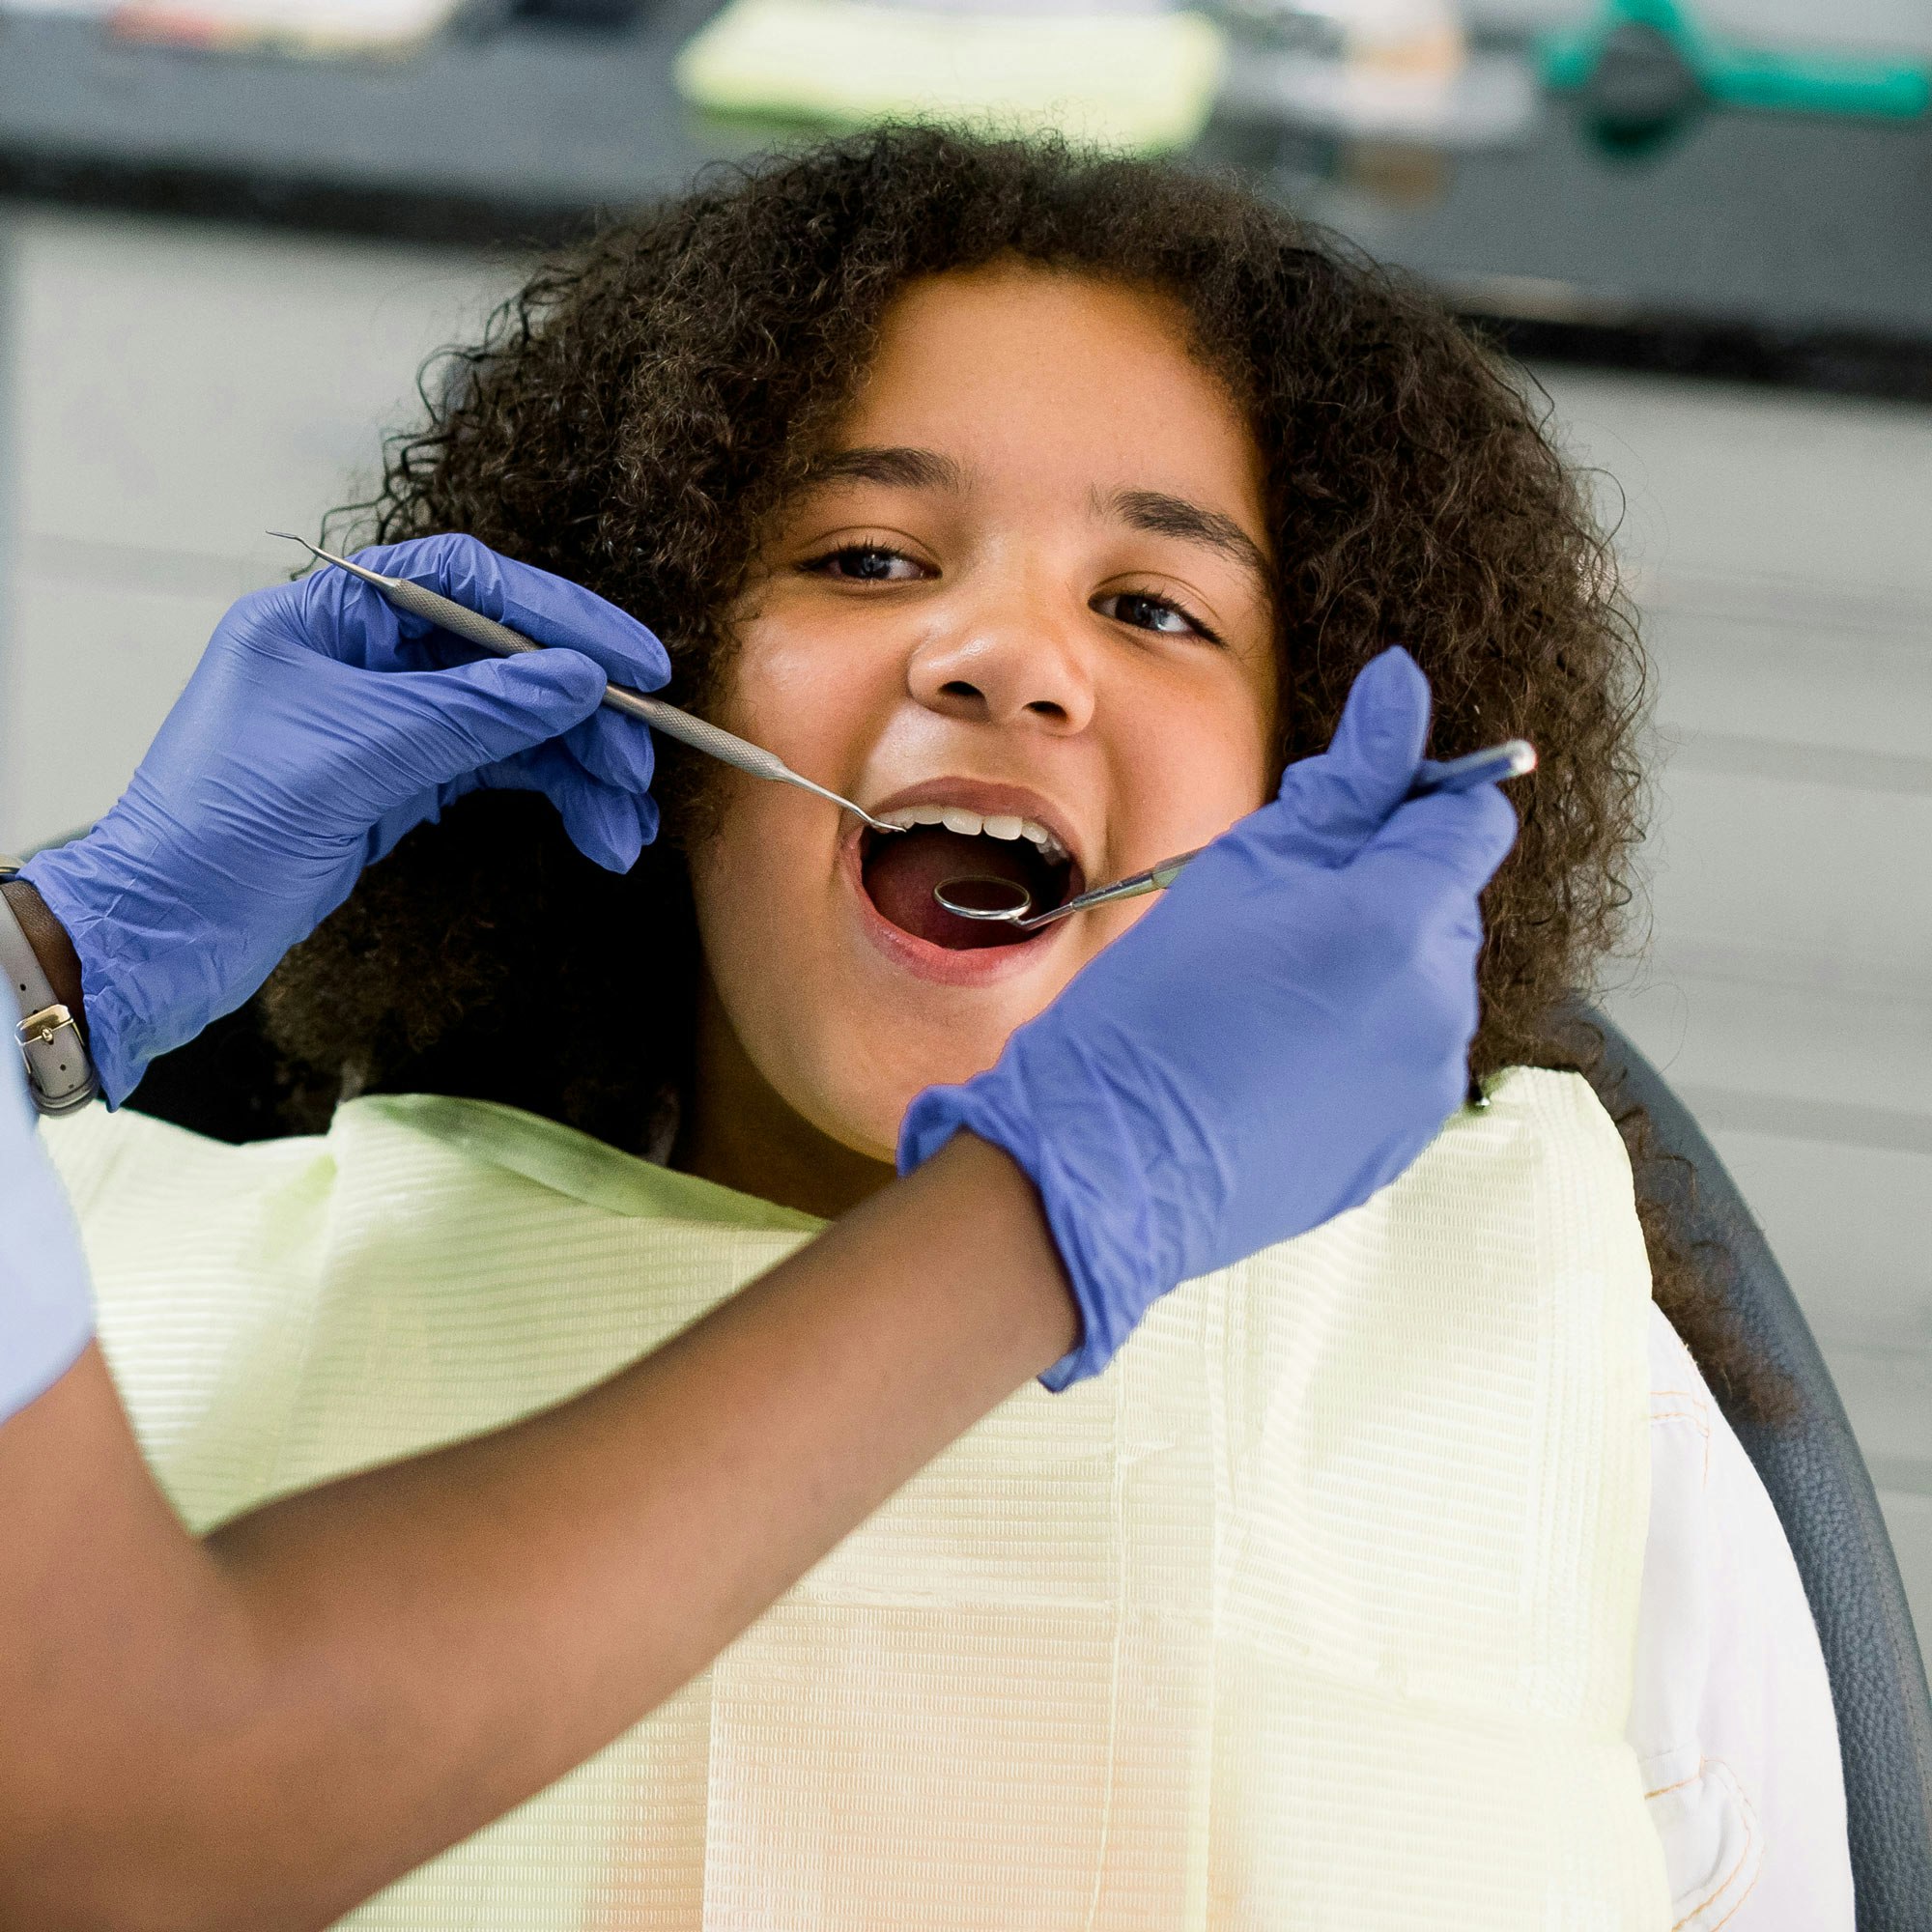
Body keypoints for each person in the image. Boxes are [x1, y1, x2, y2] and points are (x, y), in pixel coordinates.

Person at [0, 128, 1847, 1928]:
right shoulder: (163, 1286)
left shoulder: (1554, 1376)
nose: (1002, 656)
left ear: (1302, 796)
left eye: (1153, 605)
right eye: (868, 559)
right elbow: (118, 1810)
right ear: (643, 704)